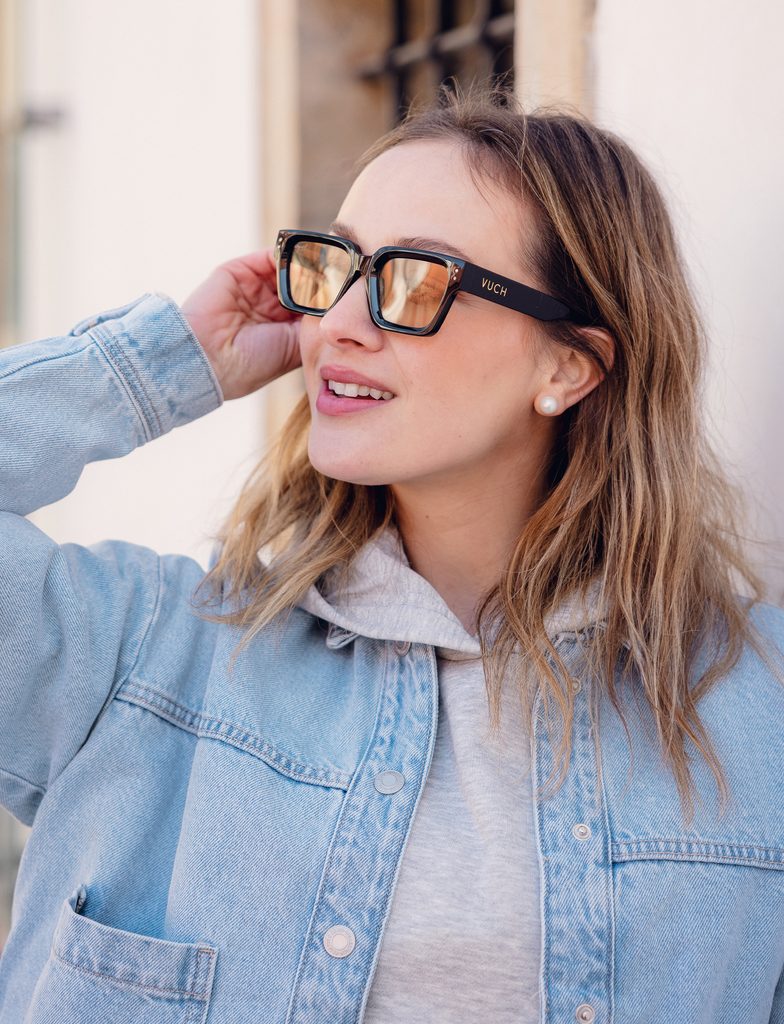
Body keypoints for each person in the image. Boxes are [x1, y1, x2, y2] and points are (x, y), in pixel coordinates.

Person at [0, 82, 782, 1024]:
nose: (338, 323)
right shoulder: (142, 658)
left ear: (568, 365)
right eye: (335, 268)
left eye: (414, 280)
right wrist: (169, 359)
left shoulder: (757, 716)